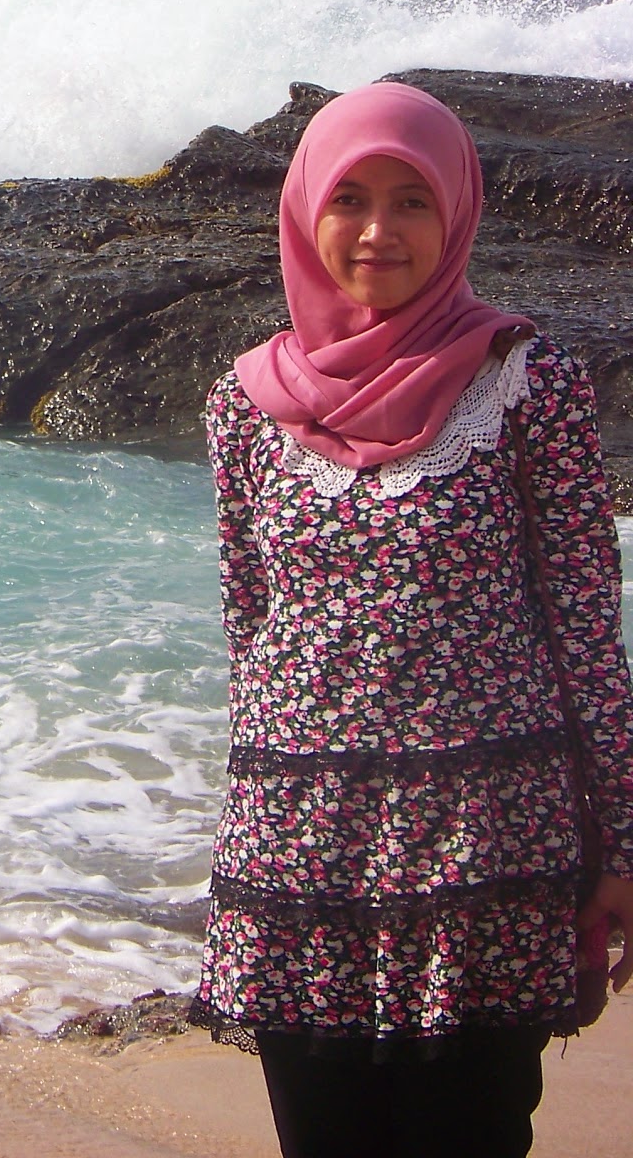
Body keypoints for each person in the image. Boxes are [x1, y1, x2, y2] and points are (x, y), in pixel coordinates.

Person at [189, 80, 633, 1158]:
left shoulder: (529, 385)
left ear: (457, 212)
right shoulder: (245, 402)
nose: (377, 231)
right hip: (301, 856)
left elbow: (587, 629)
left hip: (486, 853)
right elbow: (252, 622)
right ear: (307, 209)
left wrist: (621, 837)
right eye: (349, 198)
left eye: (411, 200)